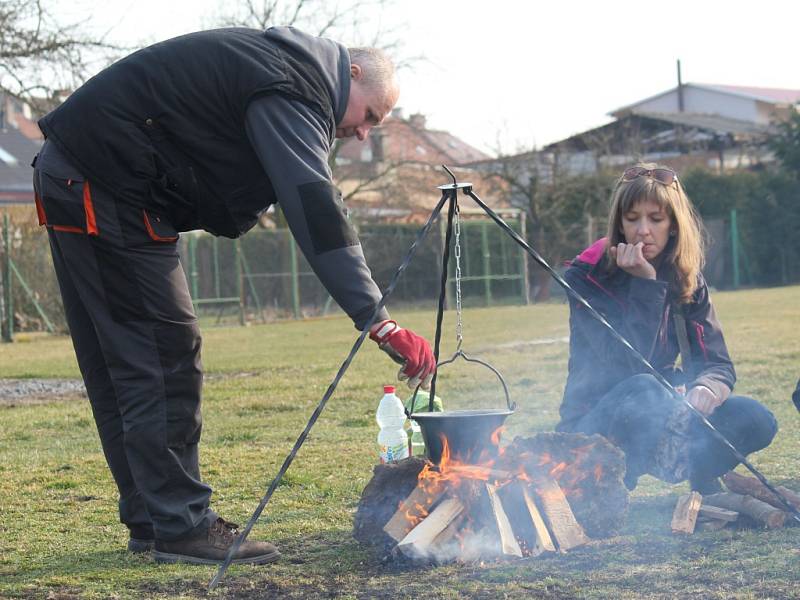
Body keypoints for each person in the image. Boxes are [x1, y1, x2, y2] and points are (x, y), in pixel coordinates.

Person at [31, 26, 435, 565]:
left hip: (75, 175)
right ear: (352, 74)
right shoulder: (295, 84)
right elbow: (313, 203)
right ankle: (179, 524)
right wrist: (378, 320)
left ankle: (154, 518)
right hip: (109, 187)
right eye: (370, 117)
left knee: (121, 364)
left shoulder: (278, 67)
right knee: (164, 355)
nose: (363, 134)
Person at [556, 164, 777, 493]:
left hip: (664, 413)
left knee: (757, 419)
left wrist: (708, 387)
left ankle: (702, 479)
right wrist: (646, 285)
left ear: (673, 224)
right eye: (632, 219)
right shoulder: (586, 278)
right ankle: (606, 491)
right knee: (646, 388)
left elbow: (716, 362)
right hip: (597, 424)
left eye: (655, 219)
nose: (642, 230)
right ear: (619, 223)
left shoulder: (685, 276)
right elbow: (627, 365)